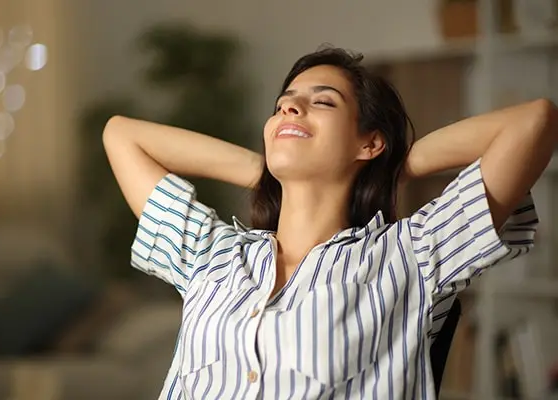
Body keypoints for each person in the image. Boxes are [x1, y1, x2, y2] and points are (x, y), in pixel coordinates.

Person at [103, 46, 555, 399]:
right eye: (283, 105)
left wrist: (394, 163)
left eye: (322, 102)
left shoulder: (410, 258)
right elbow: (122, 135)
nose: (291, 110)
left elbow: (533, 122)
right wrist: (264, 169)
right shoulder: (212, 256)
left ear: (368, 142)